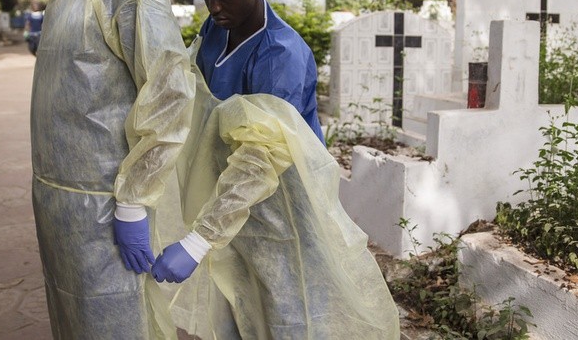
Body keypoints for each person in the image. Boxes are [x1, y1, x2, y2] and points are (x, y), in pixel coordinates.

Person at [0, 0, 196, 339]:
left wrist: (133, 205)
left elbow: (169, 99)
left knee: (118, 325)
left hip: (107, 213)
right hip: (61, 215)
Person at [149, 47, 401, 338]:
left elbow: (263, 157)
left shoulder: (280, 57)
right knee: (243, 309)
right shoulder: (216, 33)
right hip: (237, 215)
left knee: (293, 317)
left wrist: (199, 240)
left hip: (287, 220)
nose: (215, 7)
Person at [193, 0, 325, 144]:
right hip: (225, 158)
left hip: (276, 170)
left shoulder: (280, 55)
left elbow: (267, 152)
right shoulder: (216, 27)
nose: (214, 7)